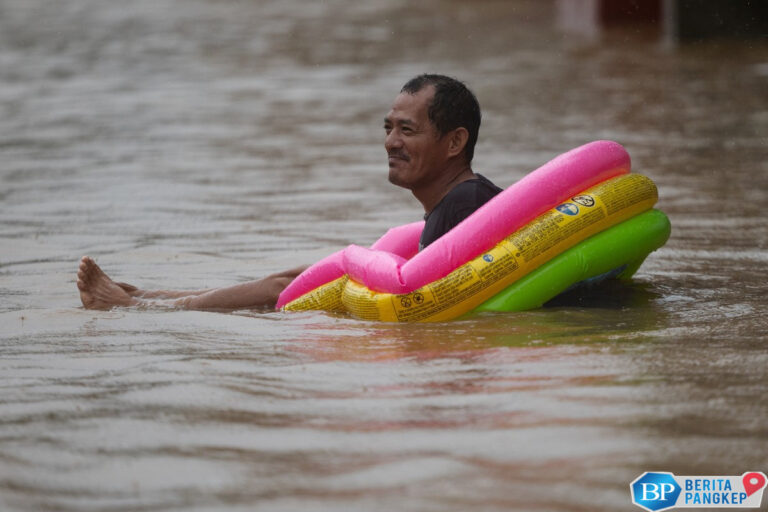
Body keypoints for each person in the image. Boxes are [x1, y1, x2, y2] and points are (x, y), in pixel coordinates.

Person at [77, 74, 502, 311]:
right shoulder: (460, 202)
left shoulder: (463, 206)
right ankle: (145, 297)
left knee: (283, 291)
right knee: (295, 278)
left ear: (454, 142)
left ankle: (140, 307)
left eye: (406, 129)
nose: (390, 141)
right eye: (388, 128)